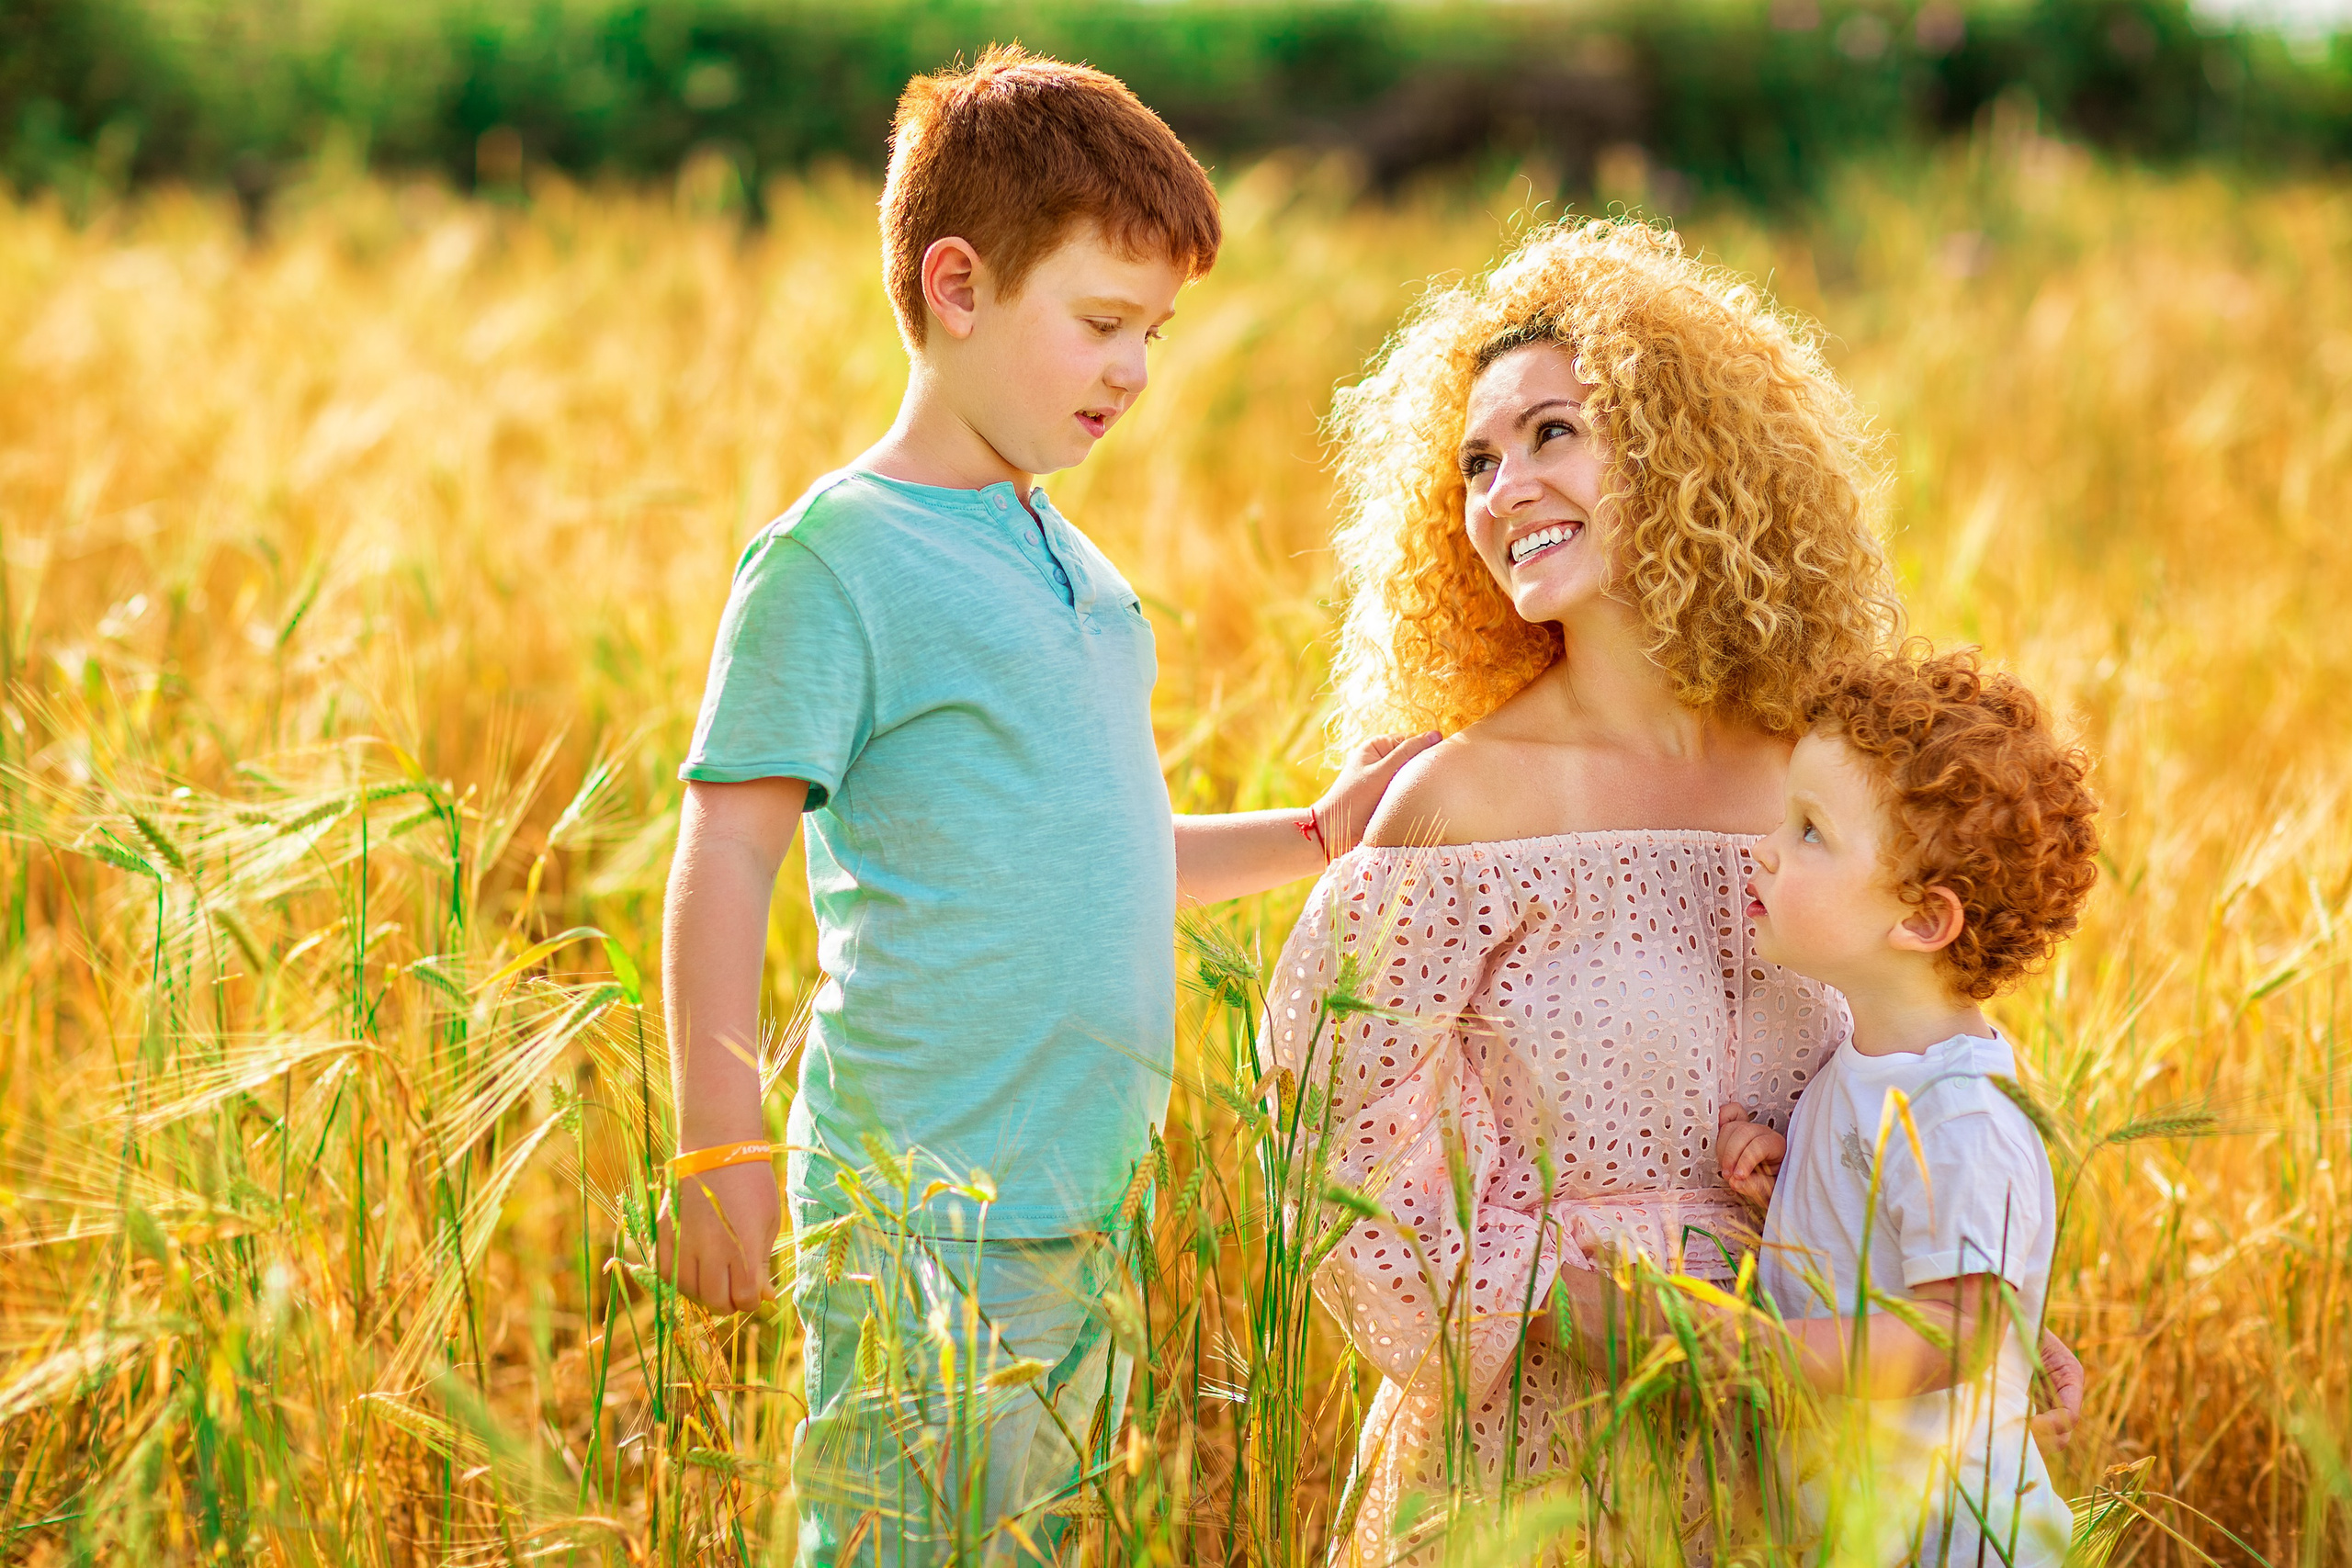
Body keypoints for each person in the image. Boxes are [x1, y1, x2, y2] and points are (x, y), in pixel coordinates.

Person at [657, 47, 1434, 1566]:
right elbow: (729, 847)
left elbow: (1095, 856)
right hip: (919, 1201)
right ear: (955, 286)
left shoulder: (1071, 562)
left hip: (1076, 1203)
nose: (1133, 370)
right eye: (1098, 323)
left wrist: (1317, 834)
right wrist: (716, 1143)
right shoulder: (839, 558)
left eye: (1152, 332)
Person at [1267, 218, 2081, 1562]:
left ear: (1681, 446)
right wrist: (1546, 1294)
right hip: (1535, 1448)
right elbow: (1336, 1141)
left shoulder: (1820, 786)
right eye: (1475, 459)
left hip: (1803, 1453)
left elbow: (1911, 1061)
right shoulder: (1461, 803)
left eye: (1550, 434)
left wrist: (1977, 1302)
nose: (1502, 486)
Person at [1702, 645, 2098, 1567]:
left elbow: (1954, 1333)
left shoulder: (1960, 1116)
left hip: (1950, 1535)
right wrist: (1790, 1187)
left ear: (1921, 920)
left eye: (1808, 832)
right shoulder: (1867, 1061)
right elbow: (1900, 1248)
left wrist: (1751, 1350)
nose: (1764, 846)